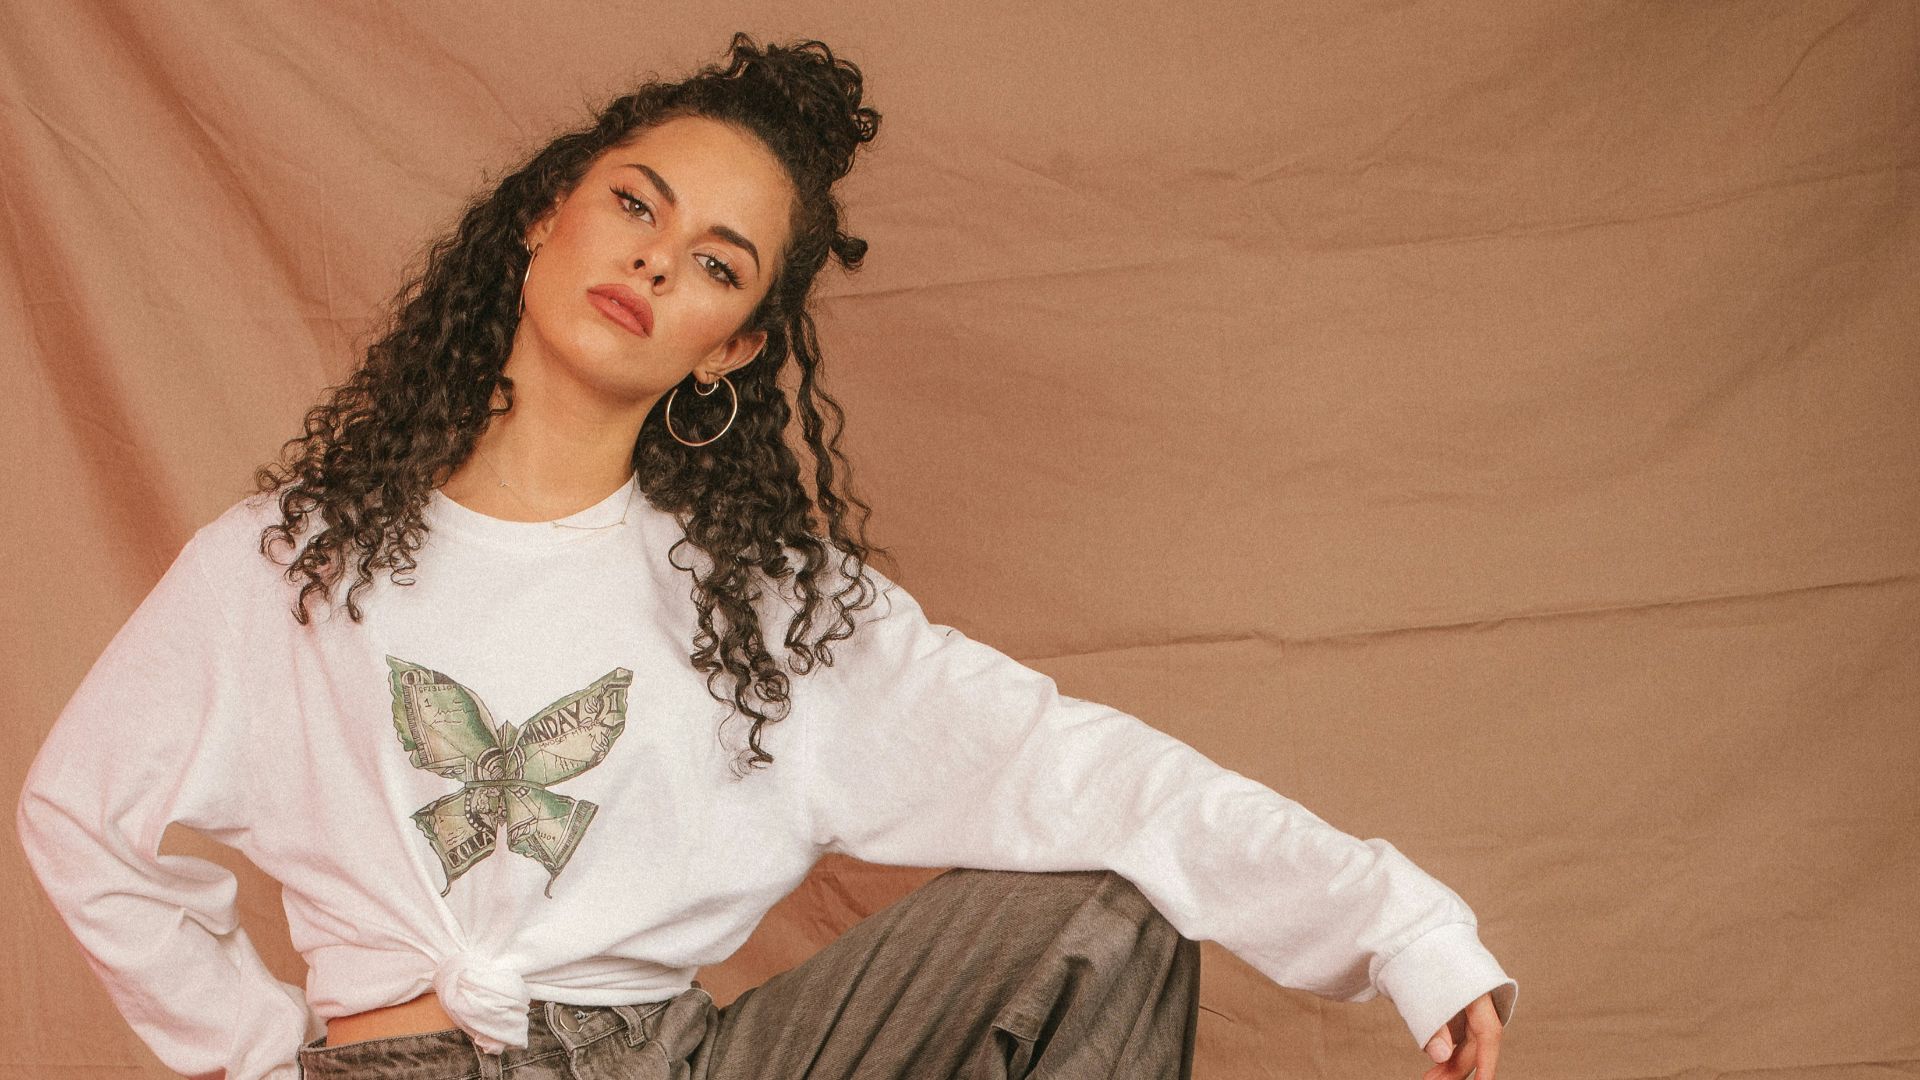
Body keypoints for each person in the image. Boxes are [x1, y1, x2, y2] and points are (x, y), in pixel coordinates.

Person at [15, 32, 1516, 1080]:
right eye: (637, 205)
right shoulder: (291, 562)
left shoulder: (766, 611)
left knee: (1102, 917)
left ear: (727, 343)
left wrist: (1399, 923)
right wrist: (258, 1050)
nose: (660, 259)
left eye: (719, 264)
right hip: (382, 1064)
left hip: (670, 1060)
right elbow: (83, 816)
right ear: (550, 212)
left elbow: (1077, 767)